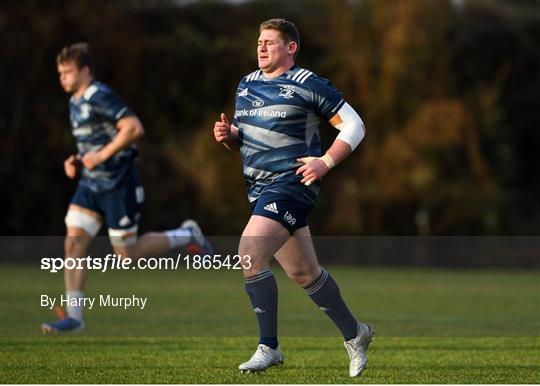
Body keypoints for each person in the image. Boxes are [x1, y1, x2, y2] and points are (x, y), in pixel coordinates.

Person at [213, 19, 373, 377]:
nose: (261, 47)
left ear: (291, 48)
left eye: (269, 42)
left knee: (250, 251)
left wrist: (326, 162)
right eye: (259, 41)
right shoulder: (247, 84)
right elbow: (253, 138)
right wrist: (230, 135)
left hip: (292, 184)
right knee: (304, 273)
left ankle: (268, 347)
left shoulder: (308, 84)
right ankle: (355, 333)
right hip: (258, 189)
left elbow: (355, 125)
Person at [41, 42, 211, 333]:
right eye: (60, 73)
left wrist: (100, 156)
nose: (63, 78)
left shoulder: (100, 96)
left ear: (85, 71)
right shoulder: (75, 101)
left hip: (119, 183)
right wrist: (78, 161)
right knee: (73, 243)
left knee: (126, 254)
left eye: (68, 72)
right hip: (91, 184)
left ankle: (187, 234)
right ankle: (75, 318)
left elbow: (133, 128)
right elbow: (95, 143)